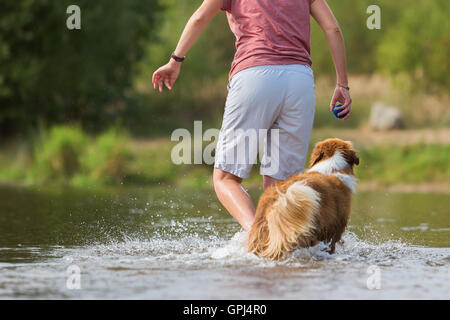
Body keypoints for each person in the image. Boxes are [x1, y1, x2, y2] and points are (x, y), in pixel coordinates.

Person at [152, 0, 352, 232]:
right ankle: (280, 250)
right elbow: (333, 29)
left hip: (255, 74)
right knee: (281, 184)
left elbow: (199, 17)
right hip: (300, 81)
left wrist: (175, 60)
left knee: (225, 178)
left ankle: (257, 235)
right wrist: (342, 84)